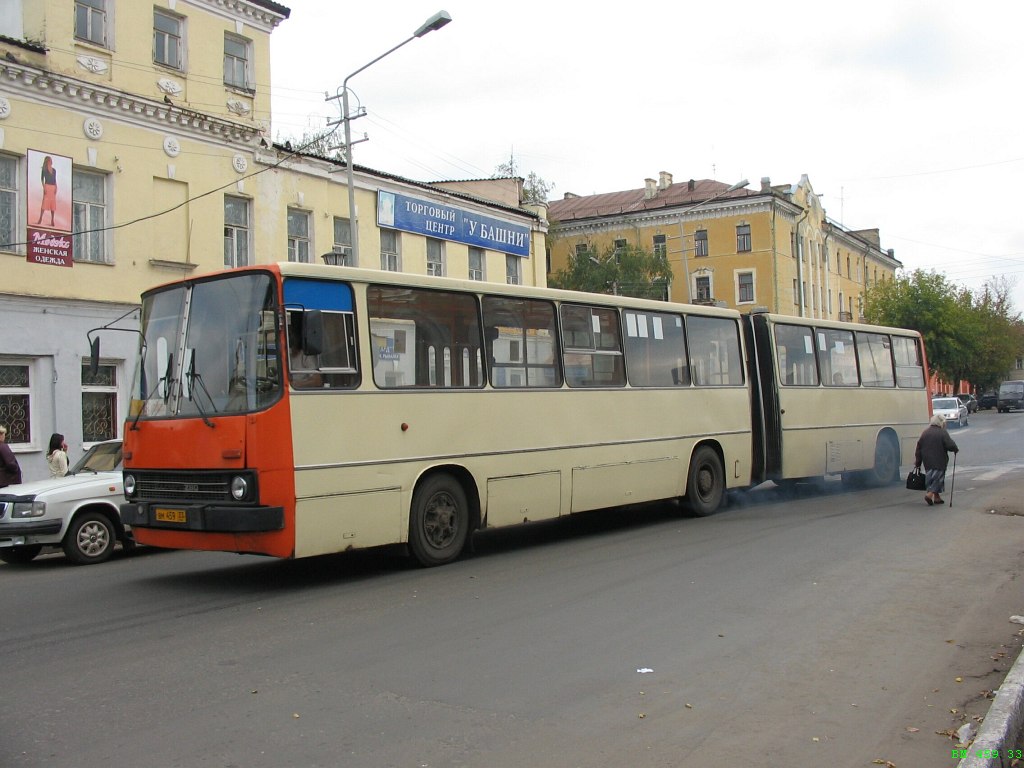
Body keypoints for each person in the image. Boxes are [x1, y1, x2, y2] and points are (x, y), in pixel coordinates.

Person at [914, 414, 959, 506]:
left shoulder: (925, 432)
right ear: (941, 422)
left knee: (931, 478)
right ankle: (929, 495)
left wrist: (918, 462)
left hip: (927, 461)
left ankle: (937, 498)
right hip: (939, 460)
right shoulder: (942, 432)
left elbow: (918, 448)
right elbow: (950, 445)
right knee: (938, 479)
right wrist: (955, 449)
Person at [36, 155, 58, 227]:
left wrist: (56, 187)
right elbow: (42, 179)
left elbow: (55, 180)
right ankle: (40, 218)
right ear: (46, 161)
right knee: (44, 203)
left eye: (51, 160)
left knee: (53, 204)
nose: (50, 162)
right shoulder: (44, 170)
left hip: (53, 187)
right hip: (47, 186)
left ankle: (52, 220)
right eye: (49, 160)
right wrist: (44, 187)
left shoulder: (54, 170)